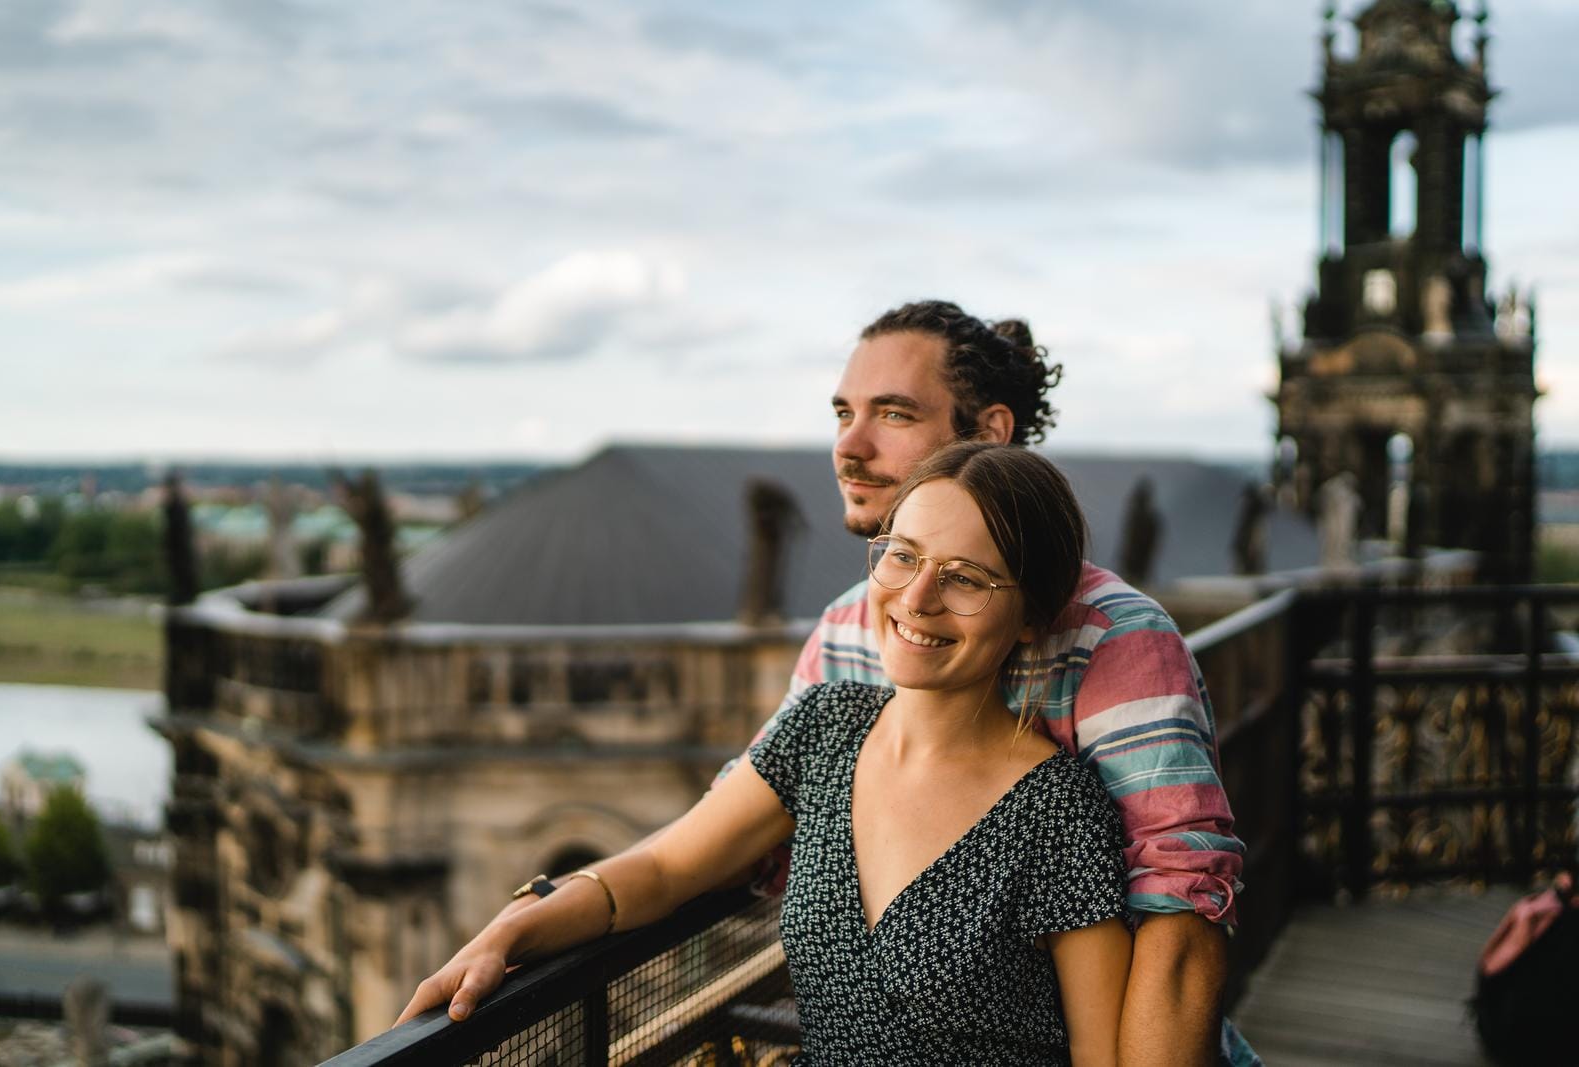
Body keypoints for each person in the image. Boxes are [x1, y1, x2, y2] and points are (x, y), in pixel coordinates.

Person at [407, 299, 1253, 1065]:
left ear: (989, 432)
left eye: (893, 413)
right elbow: (700, 848)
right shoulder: (845, 648)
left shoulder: (1116, 646)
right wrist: (531, 915)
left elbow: (1178, 921)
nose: (849, 444)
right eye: (844, 413)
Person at [401, 442, 1134, 1064]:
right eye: (902, 557)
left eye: (965, 578)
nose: (917, 597)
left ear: (1033, 615)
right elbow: (664, 866)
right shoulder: (824, 728)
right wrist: (512, 928)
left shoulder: (1058, 808)